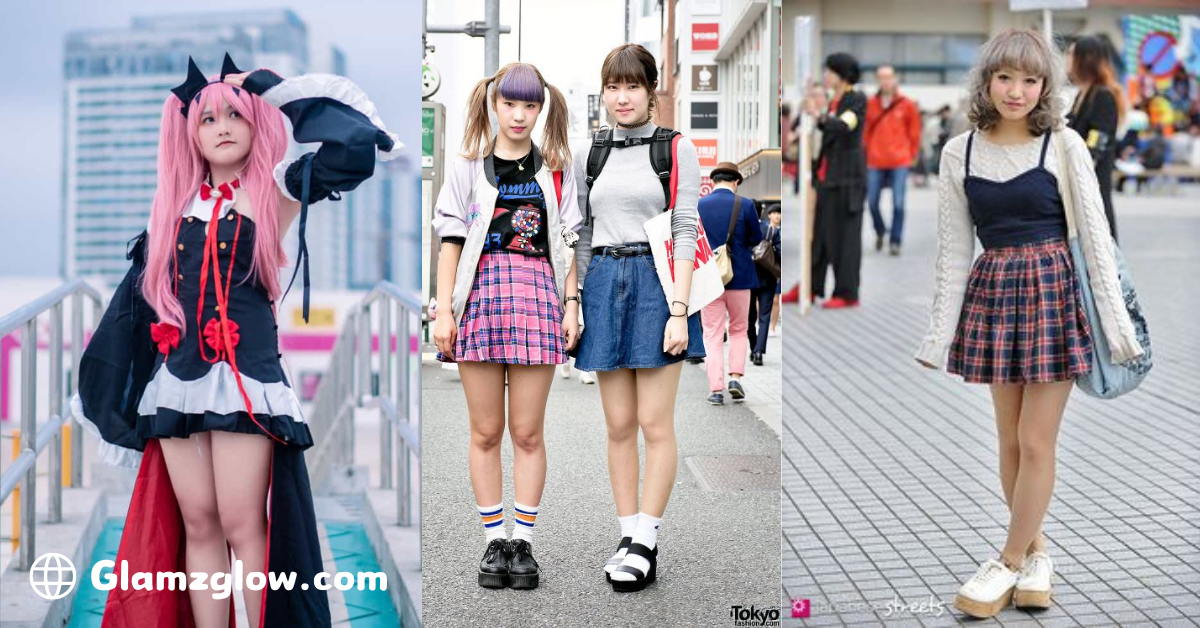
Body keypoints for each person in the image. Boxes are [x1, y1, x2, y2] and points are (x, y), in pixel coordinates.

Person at [69, 53, 400, 627]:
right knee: (199, 524)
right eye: (207, 119)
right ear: (189, 134)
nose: (222, 126)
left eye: (235, 115)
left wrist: (270, 89)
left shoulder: (275, 191)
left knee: (244, 523)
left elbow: (353, 148)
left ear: (256, 122)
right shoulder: (171, 212)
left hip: (248, 381)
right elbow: (137, 308)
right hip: (178, 384)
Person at [915, 30, 1144, 620]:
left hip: (1052, 293)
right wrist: (938, 334)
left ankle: (1008, 560)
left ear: (1045, 87)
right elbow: (951, 249)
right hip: (995, 296)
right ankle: (1039, 554)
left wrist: (1118, 331)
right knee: (1010, 440)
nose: (1017, 91)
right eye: (1006, 77)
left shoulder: (1063, 144)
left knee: (1038, 440)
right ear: (986, 81)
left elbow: (1095, 238)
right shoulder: (958, 152)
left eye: (1031, 80)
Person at [431, 62, 580, 591]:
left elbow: (566, 243)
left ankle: (524, 542)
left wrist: (571, 304)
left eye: (530, 105)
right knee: (486, 430)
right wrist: (444, 309)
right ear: (494, 105)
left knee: (527, 431)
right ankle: (493, 539)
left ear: (542, 109)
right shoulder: (469, 166)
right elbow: (450, 240)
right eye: (510, 104)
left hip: (537, 298)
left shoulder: (555, 168)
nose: (519, 115)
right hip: (480, 299)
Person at [572, 43, 705, 593]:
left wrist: (678, 309)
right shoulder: (591, 152)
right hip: (603, 280)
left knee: (655, 422)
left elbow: (683, 229)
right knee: (619, 425)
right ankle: (627, 533)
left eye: (632, 87)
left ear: (653, 92)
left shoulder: (675, 148)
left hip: (657, 283)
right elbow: (578, 231)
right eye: (613, 87)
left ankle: (647, 538)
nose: (621, 97)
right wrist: (573, 301)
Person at [697, 162, 763, 404]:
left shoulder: (699, 205)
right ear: (736, 181)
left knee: (713, 334)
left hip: (709, 281)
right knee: (738, 329)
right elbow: (756, 238)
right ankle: (735, 377)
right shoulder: (745, 204)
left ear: (714, 181)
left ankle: (716, 390)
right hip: (741, 277)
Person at [805, 53, 867, 309]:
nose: (826, 76)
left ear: (841, 74)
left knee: (845, 238)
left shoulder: (856, 98)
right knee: (819, 235)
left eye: (829, 72)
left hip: (847, 180)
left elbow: (843, 126)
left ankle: (847, 292)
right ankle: (810, 286)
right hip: (826, 179)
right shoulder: (834, 100)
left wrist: (818, 116)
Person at [1066, 35, 1125, 241]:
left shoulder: (1102, 96)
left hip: (1093, 182)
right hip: (1082, 181)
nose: (1067, 58)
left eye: (1071, 54)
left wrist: (1082, 168)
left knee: (1100, 245)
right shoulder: (1082, 94)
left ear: (1085, 59)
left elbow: (1098, 141)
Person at [864, 65, 922, 256]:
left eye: (888, 77)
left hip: (900, 160)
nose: (885, 81)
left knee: (898, 203)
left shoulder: (907, 105)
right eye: (881, 77)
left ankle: (895, 240)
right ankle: (881, 231)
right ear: (877, 80)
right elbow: (865, 132)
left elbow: (914, 132)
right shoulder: (870, 103)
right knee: (872, 202)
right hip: (875, 159)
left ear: (895, 79)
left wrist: (912, 155)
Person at [750, 204, 781, 365]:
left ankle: (753, 346)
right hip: (768, 279)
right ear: (763, 212)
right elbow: (780, 254)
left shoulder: (745, 229)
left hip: (750, 278)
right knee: (764, 316)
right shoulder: (773, 231)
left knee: (750, 317)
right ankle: (758, 352)